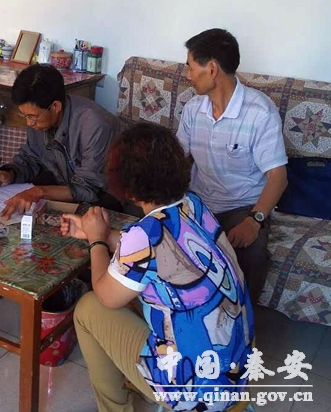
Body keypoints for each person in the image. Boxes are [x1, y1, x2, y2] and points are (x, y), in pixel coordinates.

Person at [63, 122, 254, 412]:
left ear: (128, 187)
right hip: (236, 371)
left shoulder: (143, 236)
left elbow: (106, 295)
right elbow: (154, 250)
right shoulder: (193, 205)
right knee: (133, 294)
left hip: (191, 392)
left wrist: (96, 241)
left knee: (88, 308)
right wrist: (100, 234)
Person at [177, 28, 288, 304]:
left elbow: (278, 177)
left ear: (212, 69)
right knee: (158, 233)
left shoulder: (260, 112)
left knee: (252, 254)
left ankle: (243, 321)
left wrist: (254, 221)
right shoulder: (193, 109)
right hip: (199, 202)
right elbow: (177, 159)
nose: (187, 75)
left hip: (243, 207)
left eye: (190, 66)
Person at [0, 64, 121, 218]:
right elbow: (30, 159)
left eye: (32, 116)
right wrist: (10, 174)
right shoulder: (40, 120)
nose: (29, 123)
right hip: (70, 185)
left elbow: (88, 189)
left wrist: (38, 192)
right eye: (25, 116)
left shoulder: (94, 125)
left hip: (108, 195)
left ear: (55, 106)